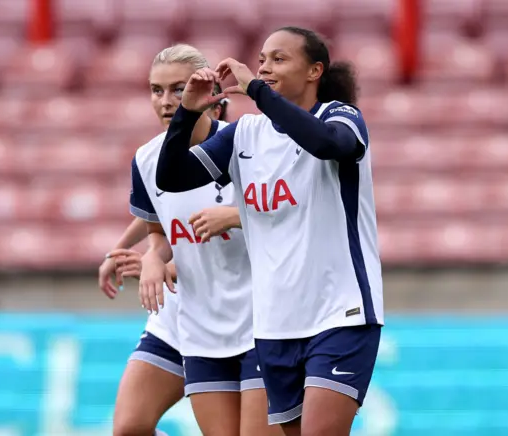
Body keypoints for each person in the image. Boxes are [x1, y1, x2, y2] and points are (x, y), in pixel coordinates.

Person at [155, 27, 384, 436]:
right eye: (262, 59)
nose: (264, 67)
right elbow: (171, 177)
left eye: (279, 59)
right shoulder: (245, 134)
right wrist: (188, 112)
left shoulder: (340, 118)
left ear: (315, 70)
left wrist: (258, 91)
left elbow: (327, 144)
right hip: (275, 324)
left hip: (340, 313)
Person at [116, 44, 281, 436]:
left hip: (261, 318)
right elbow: (159, 231)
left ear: (210, 95)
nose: (167, 100)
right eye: (157, 90)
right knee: (128, 428)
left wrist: (237, 217)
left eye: (178, 88)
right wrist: (153, 258)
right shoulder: (146, 160)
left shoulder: (248, 144)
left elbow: (293, 217)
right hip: (197, 319)